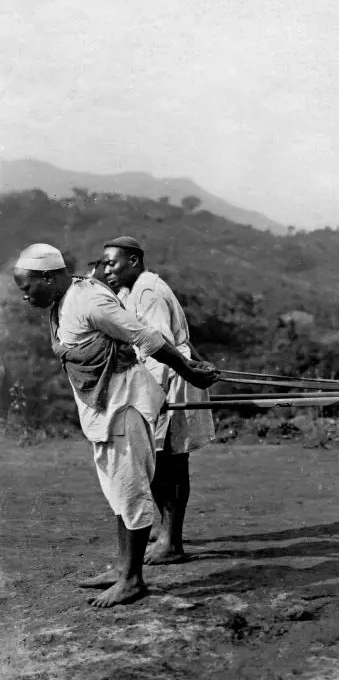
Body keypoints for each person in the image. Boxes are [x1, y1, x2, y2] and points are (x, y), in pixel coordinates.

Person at [12, 243, 219, 607]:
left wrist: (188, 370)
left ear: (48, 277)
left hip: (124, 406)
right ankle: (123, 567)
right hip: (104, 408)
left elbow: (147, 336)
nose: (25, 296)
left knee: (131, 489)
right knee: (118, 492)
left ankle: (132, 580)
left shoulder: (89, 301)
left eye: (28, 287)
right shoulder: (66, 301)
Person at [102, 236, 215, 565]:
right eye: (104, 264)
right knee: (157, 461)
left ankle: (171, 541)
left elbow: (159, 345)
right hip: (163, 375)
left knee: (170, 462)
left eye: (113, 263)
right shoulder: (133, 289)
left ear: (134, 261)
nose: (107, 270)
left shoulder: (148, 290)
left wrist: (152, 396)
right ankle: (164, 530)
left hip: (167, 378)